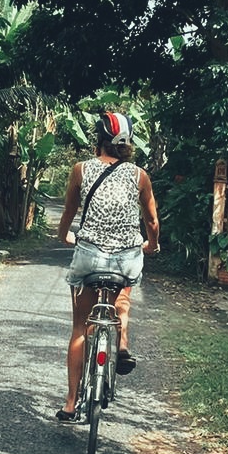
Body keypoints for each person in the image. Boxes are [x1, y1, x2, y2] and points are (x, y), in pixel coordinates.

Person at [55, 110, 159, 422]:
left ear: (98, 140)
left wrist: (64, 236)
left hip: (89, 256)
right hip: (126, 257)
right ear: (127, 144)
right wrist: (151, 244)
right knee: (122, 299)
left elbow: (69, 212)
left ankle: (71, 403)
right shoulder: (140, 176)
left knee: (79, 328)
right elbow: (151, 221)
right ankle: (122, 343)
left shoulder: (80, 170)